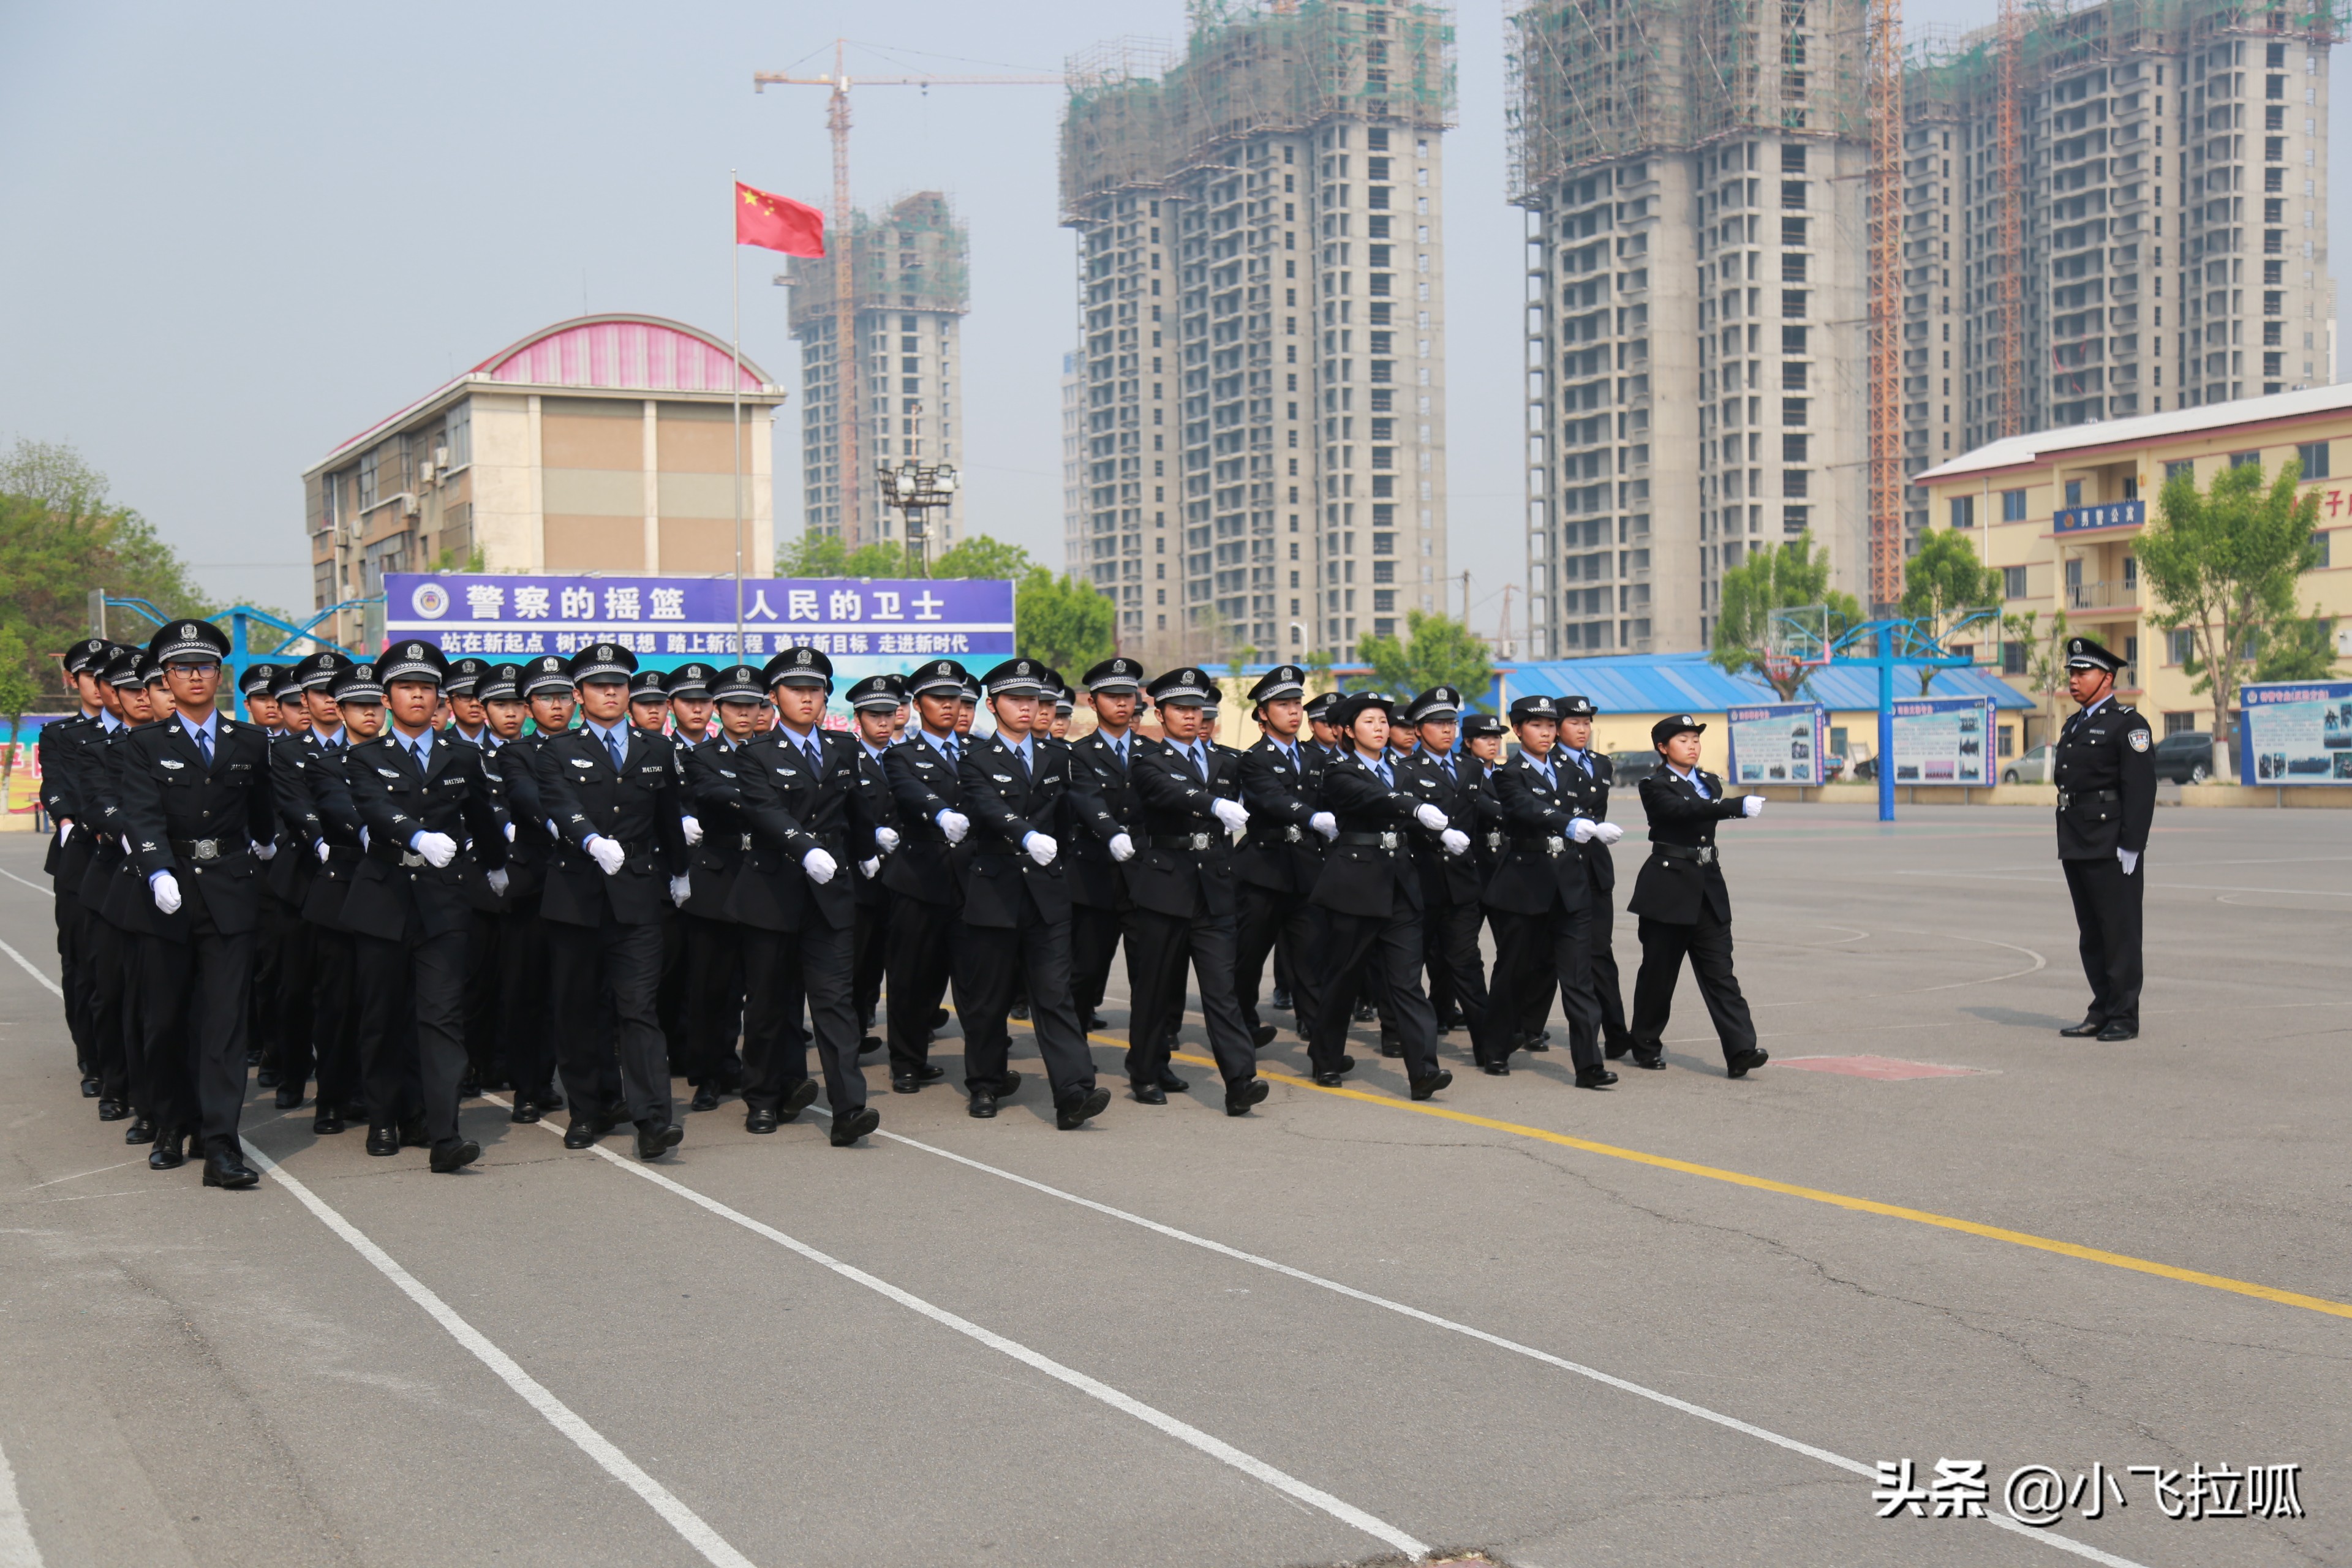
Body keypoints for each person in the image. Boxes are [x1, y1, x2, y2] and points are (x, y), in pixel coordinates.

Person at [115, 621, 279, 1190]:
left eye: (204, 666)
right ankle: (170, 1123)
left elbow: (262, 805)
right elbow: (140, 813)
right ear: (166, 677)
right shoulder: (144, 745)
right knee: (165, 1020)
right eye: (182, 668)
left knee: (226, 1024)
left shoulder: (249, 742)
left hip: (232, 891)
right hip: (169, 893)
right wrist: (157, 868)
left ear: (218, 675)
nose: (193, 676)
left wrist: (266, 841)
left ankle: (221, 1145)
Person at [341, 641, 510, 1172]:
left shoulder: (462, 755)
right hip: (384, 898)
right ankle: (385, 1117)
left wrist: (498, 864)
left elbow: (481, 816)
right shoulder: (364, 756)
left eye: (427, 688)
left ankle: (444, 1132)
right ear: (388, 699)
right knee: (383, 1015)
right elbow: (374, 807)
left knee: (442, 1018)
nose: (418, 695)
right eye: (406, 687)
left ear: (439, 699)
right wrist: (416, 836)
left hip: (443, 902)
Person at [535, 643, 693, 1160]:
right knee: (578, 1009)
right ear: (579, 695)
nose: (611, 692)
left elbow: (668, 818)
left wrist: (681, 873)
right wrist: (589, 839)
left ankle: (653, 1120)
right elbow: (559, 803)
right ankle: (590, 1109)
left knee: (639, 1010)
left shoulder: (656, 748)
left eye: (619, 685)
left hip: (639, 898)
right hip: (576, 898)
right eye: (599, 686)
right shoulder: (555, 751)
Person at [722, 645, 878, 1146]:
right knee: (769, 1005)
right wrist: (805, 848)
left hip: (830, 894)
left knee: (835, 1005)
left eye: (815, 690)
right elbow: (765, 811)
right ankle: (764, 1096)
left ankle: (849, 1107)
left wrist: (867, 851)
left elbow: (858, 810)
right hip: (773, 892)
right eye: (797, 690)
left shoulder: (843, 748)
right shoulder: (754, 755)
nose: (808, 698)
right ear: (774, 697)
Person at [951, 657, 1117, 1128]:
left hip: (1046, 894)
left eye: (1032, 699)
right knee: (989, 998)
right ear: (993, 705)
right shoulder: (975, 760)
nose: (1026, 708)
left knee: (1054, 995)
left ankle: (1074, 1092)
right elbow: (986, 808)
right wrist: (1025, 836)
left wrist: (1108, 833)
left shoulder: (1057, 757)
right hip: (995, 893)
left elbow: (1075, 810)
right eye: (1015, 700)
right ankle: (984, 1083)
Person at [1303, 692, 1454, 1099]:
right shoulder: (1338, 769)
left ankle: (1423, 1071)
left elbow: (1409, 819)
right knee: (1343, 977)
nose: (1381, 728)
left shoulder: (1400, 769)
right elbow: (1370, 798)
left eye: (1384, 721)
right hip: (1355, 883)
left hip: (1400, 886)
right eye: (1369, 722)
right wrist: (1415, 807)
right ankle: (1326, 1056)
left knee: (1407, 982)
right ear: (1350, 732)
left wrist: (1442, 832)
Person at [1624, 715, 1769, 1078]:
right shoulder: (1654, 785)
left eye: (1695, 739)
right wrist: (1735, 807)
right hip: (1668, 888)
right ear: (1663, 748)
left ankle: (1741, 1051)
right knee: (1659, 975)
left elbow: (1703, 806)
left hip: (1708, 887)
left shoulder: (1710, 782)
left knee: (1721, 974)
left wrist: (1725, 802)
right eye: (1683, 740)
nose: (1692, 745)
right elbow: (1683, 810)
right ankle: (1644, 1044)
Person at [1485, 695, 1619, 1087]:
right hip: (1526, 883)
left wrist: (1592, 826)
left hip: (1571, 883)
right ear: (1517, 730)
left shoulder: (1572, 768)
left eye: (1549, 725)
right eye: (1536, 726)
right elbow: (1527, 808)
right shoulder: (1509, 773)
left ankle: (1588, 1065)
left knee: (1578, 978)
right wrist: (1570, 823)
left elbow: (1587, 806)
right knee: (1514, 971)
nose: (1545, 732)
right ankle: (1495, 1046)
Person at [2049, 636, 2157, 1042]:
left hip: (2112, 843)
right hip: (2077, 838)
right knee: (2092, 933)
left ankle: (2124, 1016)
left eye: (2083, 673)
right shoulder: (2074, 725)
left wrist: (2133, 843)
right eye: (2072, 673)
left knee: (2120, 931)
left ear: (2107, 678)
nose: (2074, 681)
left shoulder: (2128, 725)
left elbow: (2141, 789)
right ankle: (2102, 1007)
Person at [880, 659, 971, 1094]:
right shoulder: (901, 755)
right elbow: (910, 791)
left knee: (974, 977)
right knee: (912, 976)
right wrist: (941, 812)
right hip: (919, 877)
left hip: (972, 880)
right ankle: (907, 1061)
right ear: (917, 705)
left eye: (955, 698)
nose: (949, 706)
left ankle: (985, 1065)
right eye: (939, 698)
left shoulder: (978, 752)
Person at [677, 665, 761, 1110]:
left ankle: (760, 1071)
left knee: (766, 985)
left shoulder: (776, 751)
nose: (744, 713)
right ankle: (709, 1072)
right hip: (717, 877)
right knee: (712, 986)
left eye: (752, 705)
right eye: (734, 705)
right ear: (718, 709)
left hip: (767, 876)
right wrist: (764, 803)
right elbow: (708, 791)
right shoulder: (701, 755)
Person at [1234, 664, 1330, 1049]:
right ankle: (1241, 1026)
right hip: (1263, 872)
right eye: (1283, 704)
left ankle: (1324, 1045)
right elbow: (1273, 799)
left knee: (1311, 961)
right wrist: (1313, 817)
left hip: (1306, 871)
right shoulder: (1253, 760)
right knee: (1248, 959)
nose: (1294, 712)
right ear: (1262, 713)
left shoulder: (1316, 757)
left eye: (1297, 704)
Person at [1398, 686, 1496, 1060]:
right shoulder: (1404, 769)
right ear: (1419, 729)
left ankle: (1488, 1047)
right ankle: (1400, 1036)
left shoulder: (1471, 768)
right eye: (1438, 724)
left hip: (1460, 884)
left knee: (1467, 964)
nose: (1447, 731)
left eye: (1451, 723)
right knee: (1408, 968)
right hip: (1420, 882)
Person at [1065, 656, 1148, 1036]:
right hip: (1094, 877)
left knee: (1149, 976)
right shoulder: (1077, 755)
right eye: (1112, 696)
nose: (1121, 703)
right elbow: (1087, 801)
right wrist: (1112, 833)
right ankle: (1075, 1050)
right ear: (1092, 702)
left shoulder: (1153, 753)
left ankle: (1151, 1061)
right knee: (1086, 972)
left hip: (1145, 878)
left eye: (1128, 696)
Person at [1547, 696, 1634, 1059]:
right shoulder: (1544, 765)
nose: (1583, 729)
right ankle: (1520, 1028)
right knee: (1541, 958)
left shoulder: (1601, 763)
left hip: (1595, 868)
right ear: (1556, 727)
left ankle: (1616, 1033)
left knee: (1600, 953)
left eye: (1587, 723)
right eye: (1574, 722)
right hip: (1556, 868)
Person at [841, 673, 904, 1055]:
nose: (883, 723)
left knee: (896, 962)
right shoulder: (847, 757)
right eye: (874, 715)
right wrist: (870, 835)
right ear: (859, 718)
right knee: (857, 962)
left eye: (889, 714)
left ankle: (903, 1041)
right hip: (860, 877)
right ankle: (851, 1034)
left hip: (903, 875)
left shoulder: (907, 757)